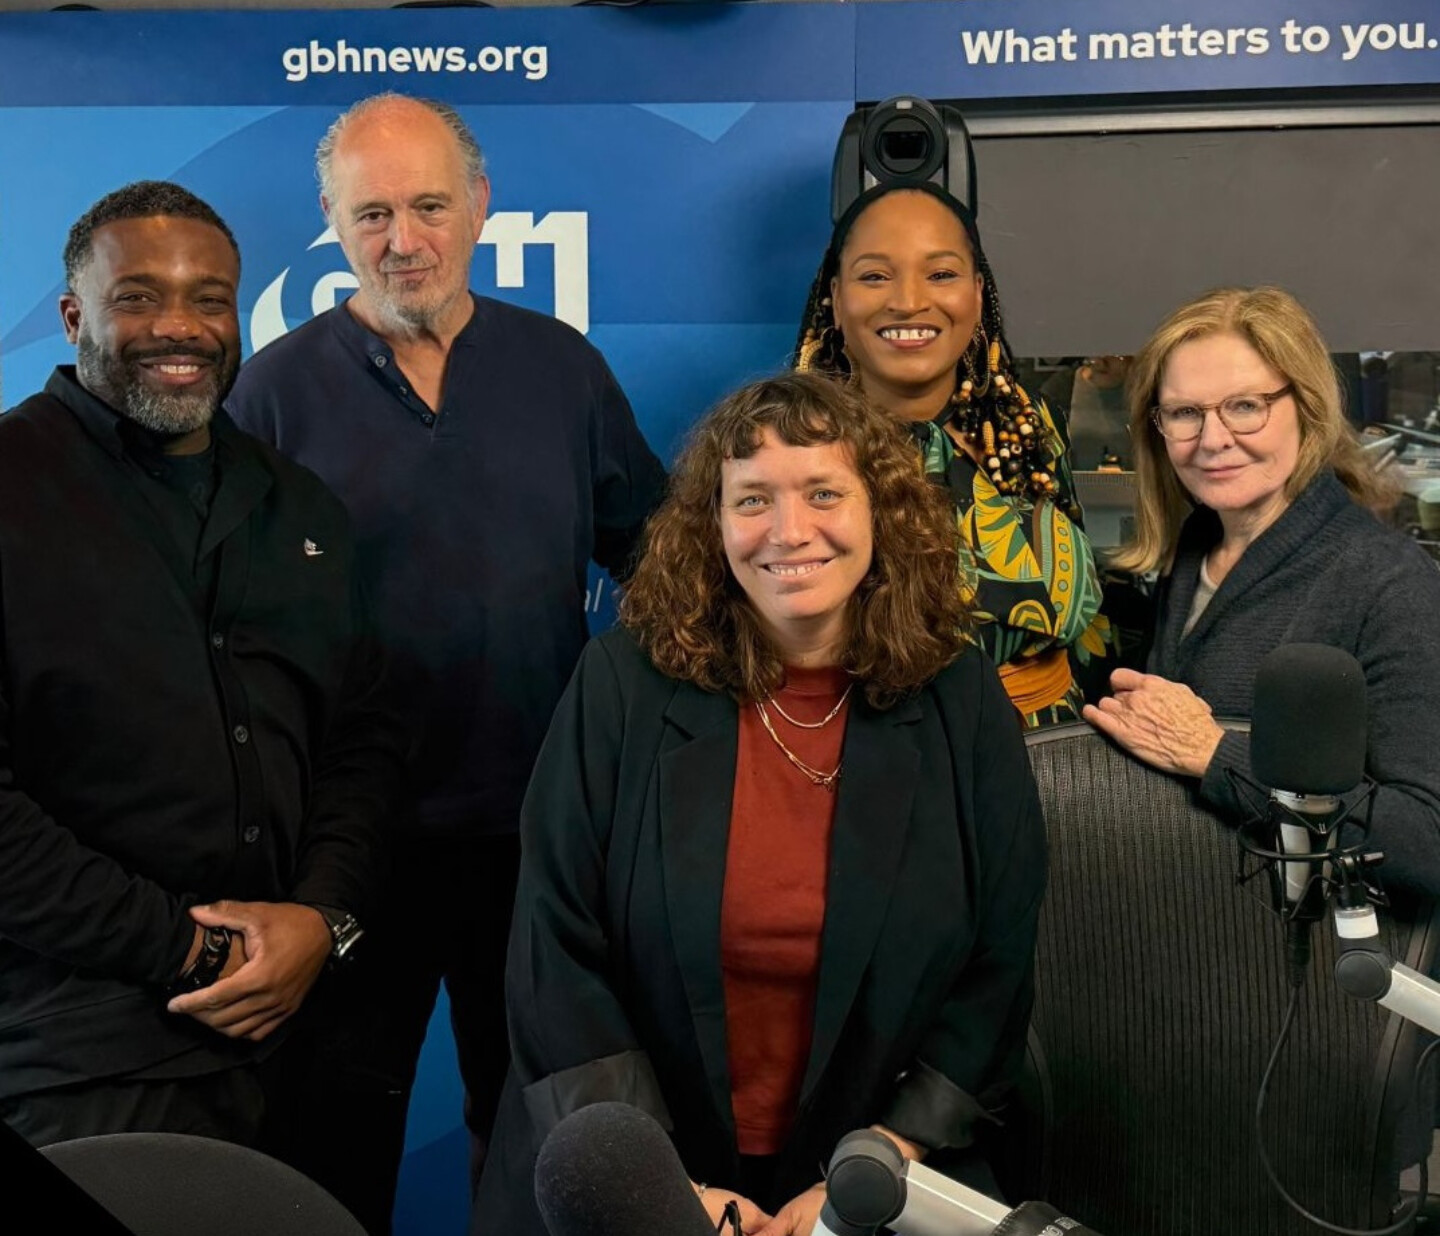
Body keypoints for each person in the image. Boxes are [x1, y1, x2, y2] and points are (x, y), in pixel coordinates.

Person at [226, 93, 667, 1232]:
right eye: (371, 213)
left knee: (537, 1137)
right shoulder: (270, 390)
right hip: (347, 848)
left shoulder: (561, 369)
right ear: (331, 221)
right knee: (332, 1138)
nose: (403, 238)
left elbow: (660, 559)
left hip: (541, 834)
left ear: (480, 207)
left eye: (428, 205)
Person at [476, 372, 1047, 1236]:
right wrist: (666, 1192)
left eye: (824, 492)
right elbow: (555, 948)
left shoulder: (959, 696)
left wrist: (881, 1163)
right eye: (752, 500)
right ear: (711, 525)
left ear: (880, 513)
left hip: (886, 1166)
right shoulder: (622, 686)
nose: (790, 532)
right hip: (635, 1170)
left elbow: (999, 962)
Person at [0, 181, 400, 1148]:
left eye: (208, 298)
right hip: (84, 1052)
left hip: (312, 1038)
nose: (177, 327)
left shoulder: (300, 507)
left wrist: (320, 917)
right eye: (137, 296)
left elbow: (361, 740)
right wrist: (186, 947)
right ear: (73, 316)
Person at [1084, 286, 1440, 897]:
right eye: (1184, 413)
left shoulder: (1387, 583)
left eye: (1245, 406)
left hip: (1313, 971)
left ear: (1306, 407)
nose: (1213, 439)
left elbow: (1425, 843)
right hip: (1187, 935)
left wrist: (1215, 755)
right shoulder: (1195, 549)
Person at [794, 181, 1111, 727]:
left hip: (1052, 761)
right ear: (836, 301)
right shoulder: (787, 451)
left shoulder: (1031, 429)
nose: (909, 300)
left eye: (941, 274)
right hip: (872, 761)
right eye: (874, 276)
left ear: (978, 295)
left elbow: (1088, 636)